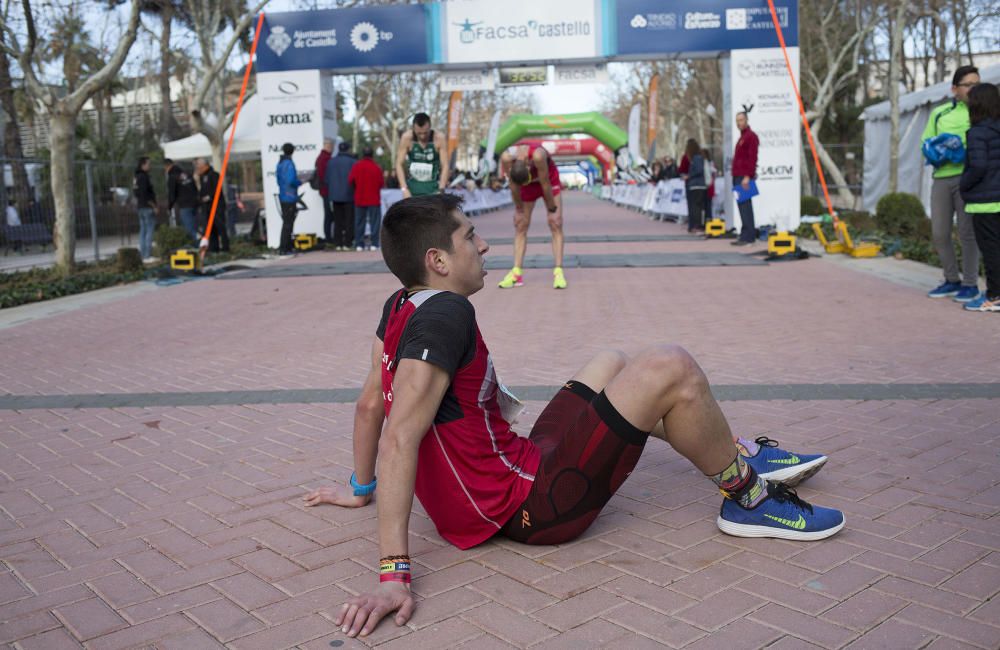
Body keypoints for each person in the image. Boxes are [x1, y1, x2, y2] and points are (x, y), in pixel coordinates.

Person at [303, 194, 843, 639]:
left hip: (516, 467)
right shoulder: (447, 313)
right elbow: (399, 435)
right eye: (469, 235)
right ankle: (747, 497)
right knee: (671, 366)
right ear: (438, 261)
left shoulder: (402, 303)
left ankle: (731, 450)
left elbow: (370, 402)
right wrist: (393, 573)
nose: (485, 243)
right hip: (530, 507)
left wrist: (359, 485)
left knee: (611, 360)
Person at [924, 65, 982, 302]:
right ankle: (951, 279)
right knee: (939, 232)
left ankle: (970, 284)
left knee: (968, 233)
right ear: (955, 89)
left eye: (977, 84)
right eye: (968, 84)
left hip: (969, 179)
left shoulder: (984, 113)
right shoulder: (940, 113)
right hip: (941, 178)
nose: (973, 89)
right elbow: (926, 141)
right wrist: (939, 149)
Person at [498, 143, 567, 289]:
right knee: (521, 224)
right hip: (526, 186)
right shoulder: (507, 158)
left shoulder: (538, 155)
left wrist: (552, 208)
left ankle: (558, 271)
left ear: (529, 166)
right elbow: (513, 186)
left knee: (555, 222)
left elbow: (545, 184)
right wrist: (519, 209)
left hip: (548, 179)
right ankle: (516, 273)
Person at [959, 82, 1000, 312]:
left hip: (985, 201)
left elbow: (978, 166)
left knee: (991, 250)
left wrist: (964, 185)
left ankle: (995, 296)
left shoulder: (977, 133)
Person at [395, 113, 448, 197]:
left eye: (425, 133)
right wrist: (404, 188)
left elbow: (445, 165)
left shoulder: (439, 138)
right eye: (419, 133)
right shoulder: (407, 138)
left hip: (433, 190)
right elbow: (398, 164)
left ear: (430, 127)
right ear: (413, 129)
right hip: (412, 190)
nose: (422, 136)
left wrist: (441, 189)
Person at [348, 146, 385, 251]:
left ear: (362, 154)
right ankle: (374, 244)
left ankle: (359, 244)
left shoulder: (356, 166)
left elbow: (350, 181)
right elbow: (381, 183)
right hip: (373, 198)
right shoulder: (376, 167)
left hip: (359, 197)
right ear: (372, 155)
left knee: (359, 222)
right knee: (374, 222)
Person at [732, 112, 760, 246]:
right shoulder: (742, 137)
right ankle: (745, 234)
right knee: (741, 206)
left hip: (744, 177)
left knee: (746, 206)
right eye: (737, 120)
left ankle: (749, 237)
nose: (739, 123)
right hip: (737, 176)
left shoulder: (751, 136)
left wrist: (748, 176)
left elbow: (752, 158)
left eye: (741, 120)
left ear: (747, 120)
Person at [194, 157, 229, 253]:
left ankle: (225, 248)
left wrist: (208, 197)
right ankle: (214, 248)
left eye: (199, 166)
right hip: (207, 207)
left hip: (217, 206)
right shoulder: (202, 177)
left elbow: (216, 190)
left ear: (205, 166)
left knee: (220, 227)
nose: (198, 169)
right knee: (211, 228)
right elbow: (201, 191)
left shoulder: (214, 175)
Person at [326, 142, 356, 251]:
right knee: (349, 220)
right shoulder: (353, 162)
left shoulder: (330, 162)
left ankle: (338, 243)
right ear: (348, 149)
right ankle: (348, 243)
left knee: (337, 220)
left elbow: (327, 180)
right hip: (349, 195)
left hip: (335, 195)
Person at [165, 159, 199, 243]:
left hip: (185, 205)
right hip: (194, 204)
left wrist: (169, 208)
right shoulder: (186, 174)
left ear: (167, 166)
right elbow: (195, 187)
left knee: (189, 230)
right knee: (194, 227)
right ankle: (197, 245)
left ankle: (198, 249)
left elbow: (171, 194)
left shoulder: (172, 176)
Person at [276, 142, 301, 255]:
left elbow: (279, 180)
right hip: (289, 196)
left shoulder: (280, 163)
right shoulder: (289, 164)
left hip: (283, 195)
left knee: (287, 222)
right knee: (288, 223)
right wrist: (299, 182)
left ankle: (286, 247)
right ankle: (285, 248)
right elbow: (291, 180)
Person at [132, 156, 157, 260]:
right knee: (149, 230)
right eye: (148, 164)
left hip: (140, 206)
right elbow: (145, 193)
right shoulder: (143, 177)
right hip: (147, 207)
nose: (149, 166)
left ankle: (143, 254)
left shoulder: (136, 177)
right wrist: (153, 205)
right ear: (143, 165)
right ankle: (147, 254)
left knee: (143, 230)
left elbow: (136, 192)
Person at [682, 139, 707, 232]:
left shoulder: (696, 158)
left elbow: (699, 170)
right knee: (696, 206)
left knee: (696, 207)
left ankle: (697, 226)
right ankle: (695, 225)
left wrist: (689, 175)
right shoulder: (697, 157)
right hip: (696, 185)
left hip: (697, 185)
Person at [316, 138, 334, 244]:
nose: (332, 148)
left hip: (325, 191)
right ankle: (328, 238)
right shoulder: (325, 159)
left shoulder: (322, 158)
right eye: (331, 146)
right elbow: (325, 176)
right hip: (327, 191)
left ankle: (328, 237)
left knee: (329, 215)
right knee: (329, 215)